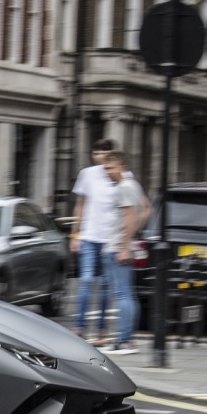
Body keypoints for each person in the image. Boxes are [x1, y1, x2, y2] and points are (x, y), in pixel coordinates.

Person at [69, 139, 120, 343]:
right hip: (89, 236)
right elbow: (80, 205)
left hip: (110, 238)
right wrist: (75, 234)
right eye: (96, 152)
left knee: (106, 285)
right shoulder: (87, 174)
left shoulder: (120, 175)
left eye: (103, 152)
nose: (99, 156)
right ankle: (80, 326)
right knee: (87, 281)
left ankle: (101, 329)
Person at [100, 150, 150, 356]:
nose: (107, 172)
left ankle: (123, 340)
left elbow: (129, 217)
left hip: (117, 246)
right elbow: (147, 209)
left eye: (110, 168)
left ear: (121, 167)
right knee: (128, 293)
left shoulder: (123, 188)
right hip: (123, 243)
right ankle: (127, 339)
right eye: (105, 169)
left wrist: (124, 244)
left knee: (122, 294)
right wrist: (132, 235)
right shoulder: (134, 185)